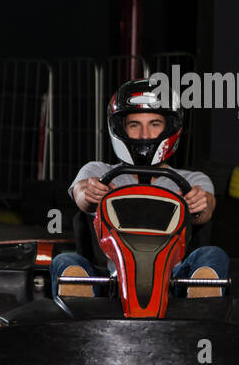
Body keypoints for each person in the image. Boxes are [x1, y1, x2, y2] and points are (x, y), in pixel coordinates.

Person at [51, 78, 229, 299]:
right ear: (120, 128)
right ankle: (80, 311)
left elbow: (205, 211)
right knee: (65, 261)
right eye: (134, 125)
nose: (144, 135)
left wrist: (200, 205)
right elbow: (81, 195)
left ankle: (201, 307)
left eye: (155, 124)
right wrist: (89, 193)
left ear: (170, 128)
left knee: (212, 255)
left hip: (173, 279)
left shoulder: (191, 180)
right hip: (109, 279)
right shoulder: (97, 172)